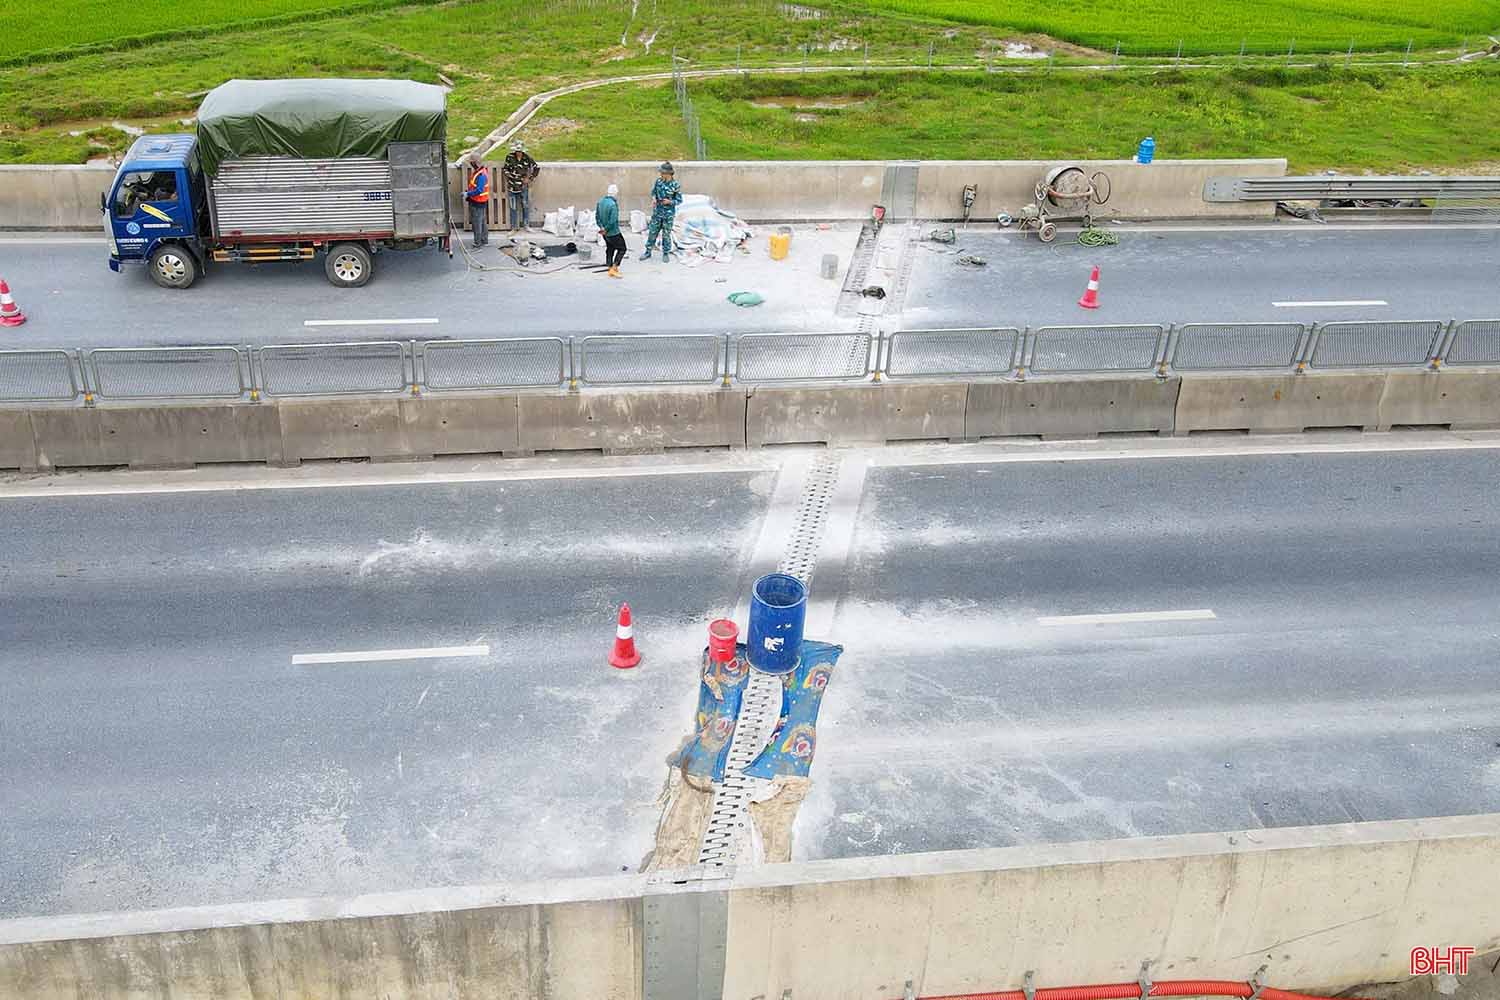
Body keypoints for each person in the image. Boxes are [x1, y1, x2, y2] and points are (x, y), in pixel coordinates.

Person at [640, 161, 682, 263]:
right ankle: (648, 251)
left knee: (666, 234)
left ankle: (665, 253)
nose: (661, 174)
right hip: (657, 213)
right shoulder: (658, 181)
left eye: (662, 173)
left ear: (668, 174)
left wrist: (670, 201)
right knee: (652, 232)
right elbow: (653, 192)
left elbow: (679, 200)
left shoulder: (675, 185)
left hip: (668, 215)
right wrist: (654, 199)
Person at [502, 141, 540, 231]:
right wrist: (509, 175)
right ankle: (513, 227)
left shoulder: (527, 158)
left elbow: (536, 168)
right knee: (513, 207)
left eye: (520, 151)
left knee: (525, 205)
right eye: (517, 151)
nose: (518, 153)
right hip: (512, 186)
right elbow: (505, 169)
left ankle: (526, 225)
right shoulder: (509, 157)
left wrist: (530, 178)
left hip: (523, 186)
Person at [596, 183, 626, 278]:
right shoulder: (613, 205)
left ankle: (609, 265)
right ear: (615, 193)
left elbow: (597, 217)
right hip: (613, 233)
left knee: (610, 248)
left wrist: (602, 228)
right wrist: (607, 229)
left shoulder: (600, 202)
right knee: (622, 249)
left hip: (605, 233)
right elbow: (613, 221)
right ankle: (614, 268)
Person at [464, 156, 490, 248]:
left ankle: (477, 242)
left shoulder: (481, 175)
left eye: (472, 162)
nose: (471, 164)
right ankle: (484, 240)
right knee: (482, 221)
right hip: (480, 201)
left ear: (475, 163)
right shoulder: (480, 172)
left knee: (477, 223)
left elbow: (479, 190)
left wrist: (467, 194)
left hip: (477, 202)